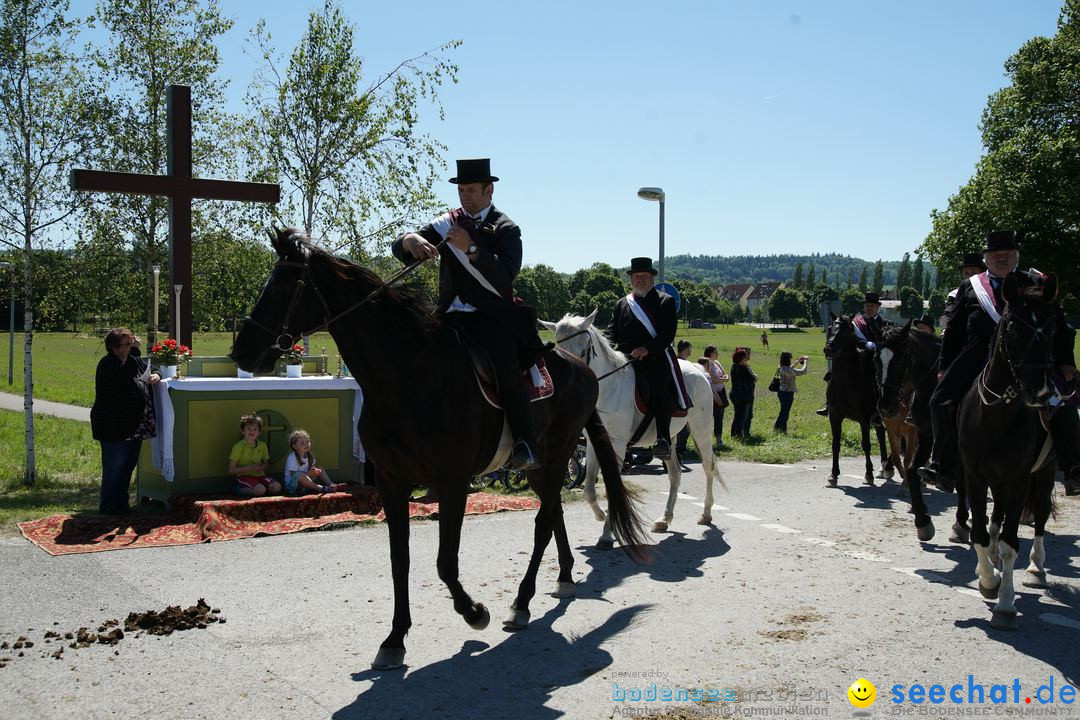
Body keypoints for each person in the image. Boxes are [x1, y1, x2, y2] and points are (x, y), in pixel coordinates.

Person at [392, 158, 543, 471]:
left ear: (489, 190)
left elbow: (505, 276)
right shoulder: (448, 222)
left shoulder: (506, 228)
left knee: (505, 369)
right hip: (448, 315)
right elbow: (405, 248)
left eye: (471, 190)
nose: (465, 196)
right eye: (461, 190)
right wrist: (408, 240)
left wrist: (472, 250)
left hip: (491, 317)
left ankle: (525, 443)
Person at [917, 230, 1079, 495]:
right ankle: (943, 465)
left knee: (1063, 402)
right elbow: (955, 331)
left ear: (1016, 257)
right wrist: (945, 367)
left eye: (1006, 255)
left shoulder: (1033, 283)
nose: (1001, 259)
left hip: (1027, 360)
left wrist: (1065, 362)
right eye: (995, 255)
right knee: (939, 401)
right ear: (987, 259)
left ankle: (1072, 468)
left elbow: (1060, 327)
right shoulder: (971, 288)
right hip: (975, 356)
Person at [608, 257, 691, 460]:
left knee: (659, 386)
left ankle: (662, 438)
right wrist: (605, 348)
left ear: (652, 278)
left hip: (654, 358)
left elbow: (666, 334)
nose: (640, 280)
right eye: (636, 277)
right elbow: (611, 332)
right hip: (625, 359)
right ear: (631, 280)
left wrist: (647, 349)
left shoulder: (665, 301)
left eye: (644, 276)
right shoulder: (622, 304)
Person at [90, 328, 160, 515]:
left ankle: (122, 504)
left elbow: (150, 367)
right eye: (127, 345)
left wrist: (156, 375)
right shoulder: (108, 364)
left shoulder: (132, 360)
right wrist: (136, 350)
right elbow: (125, 375)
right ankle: (108, 505)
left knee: (128, 466)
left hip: (134, 425)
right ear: (114, 348)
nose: (131, 347)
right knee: (114, 467)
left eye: (131, 344)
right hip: (114, 425)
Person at [816, 291, 892, 417]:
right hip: (857, 358)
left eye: (872, 306)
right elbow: (847, 339)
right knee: (833, 375)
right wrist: (862, 344)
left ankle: (879, 409)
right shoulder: (855, 322)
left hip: (876, 360)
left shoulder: (887, 323)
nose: (869, 308)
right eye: (867, 305)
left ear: (878, 307)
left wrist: (875, 345)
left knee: (879, 380)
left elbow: (888, 343)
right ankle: (830, 404)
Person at [229, 413, 282, 497]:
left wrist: (262, 467)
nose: (252, 431)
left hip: (261, 476)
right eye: (249, 429)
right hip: (244, 477)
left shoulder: (262, 445)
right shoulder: (238, 447)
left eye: (255, 429)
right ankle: (238, 488)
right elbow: (231, 469)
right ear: (242, 431)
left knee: (277, 488)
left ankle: (260, 488)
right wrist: (250, 468)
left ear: (259, 432)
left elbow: (266, 463)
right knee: (260, 490)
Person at [939, 252, 986, 334]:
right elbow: (948, 314)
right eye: (966, 273)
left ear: (982, 273)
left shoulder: (989, 294)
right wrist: (945, 329)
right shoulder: (954, 295)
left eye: (974, 273)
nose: (970, 276)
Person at [283, 429, 334, 495]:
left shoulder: (310, 456)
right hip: (293, 487)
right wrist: (309, 474)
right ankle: (320, 488)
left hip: (306, 484)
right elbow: (294, 476)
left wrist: (315, 471)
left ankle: (331, 484)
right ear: (295, 446)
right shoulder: (292, 457)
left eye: (307, 442)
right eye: (302, 443)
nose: (306, 444)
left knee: (320, 469)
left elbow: (312, 470)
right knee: (299, 475)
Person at [701, 344, 730, 449]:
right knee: (708, 418)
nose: (717, 354)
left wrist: (723, 378)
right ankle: (705, 441)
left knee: (719, 417)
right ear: (710, 353)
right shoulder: (707, 363)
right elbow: (714, 379)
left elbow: (724, 374)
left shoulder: (716, 362)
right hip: (710, 394)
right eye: (715, 352)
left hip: (721, 392)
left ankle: (718, 440)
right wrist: (724, 379)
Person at [774, 351, 809, 433]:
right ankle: (778, 427)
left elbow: (790, 368)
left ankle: (782, 428)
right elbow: (803, 371)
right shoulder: (789, 370)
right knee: (785, 411)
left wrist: (798, 361)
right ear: (788, 360)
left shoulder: (780, 367)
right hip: (788, 393)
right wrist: (806, 362)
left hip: (781, 392)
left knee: (784, 410)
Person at [729, 348, 757, 438]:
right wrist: (747, 368)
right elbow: (753, 378)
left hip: (736, 394)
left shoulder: (734, 366)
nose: (746, 359)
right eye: (745, 357)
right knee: (741, 416)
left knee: (738, 415)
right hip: (742, 395)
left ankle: (735, 434)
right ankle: (737, 434)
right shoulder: (742, 368)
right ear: (741, 358)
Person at [674, 340, 693, 470]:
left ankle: (680, 449)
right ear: (685, 350)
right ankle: (679, 450)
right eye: (689, 349)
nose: (691, 351)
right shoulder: (681, 364)